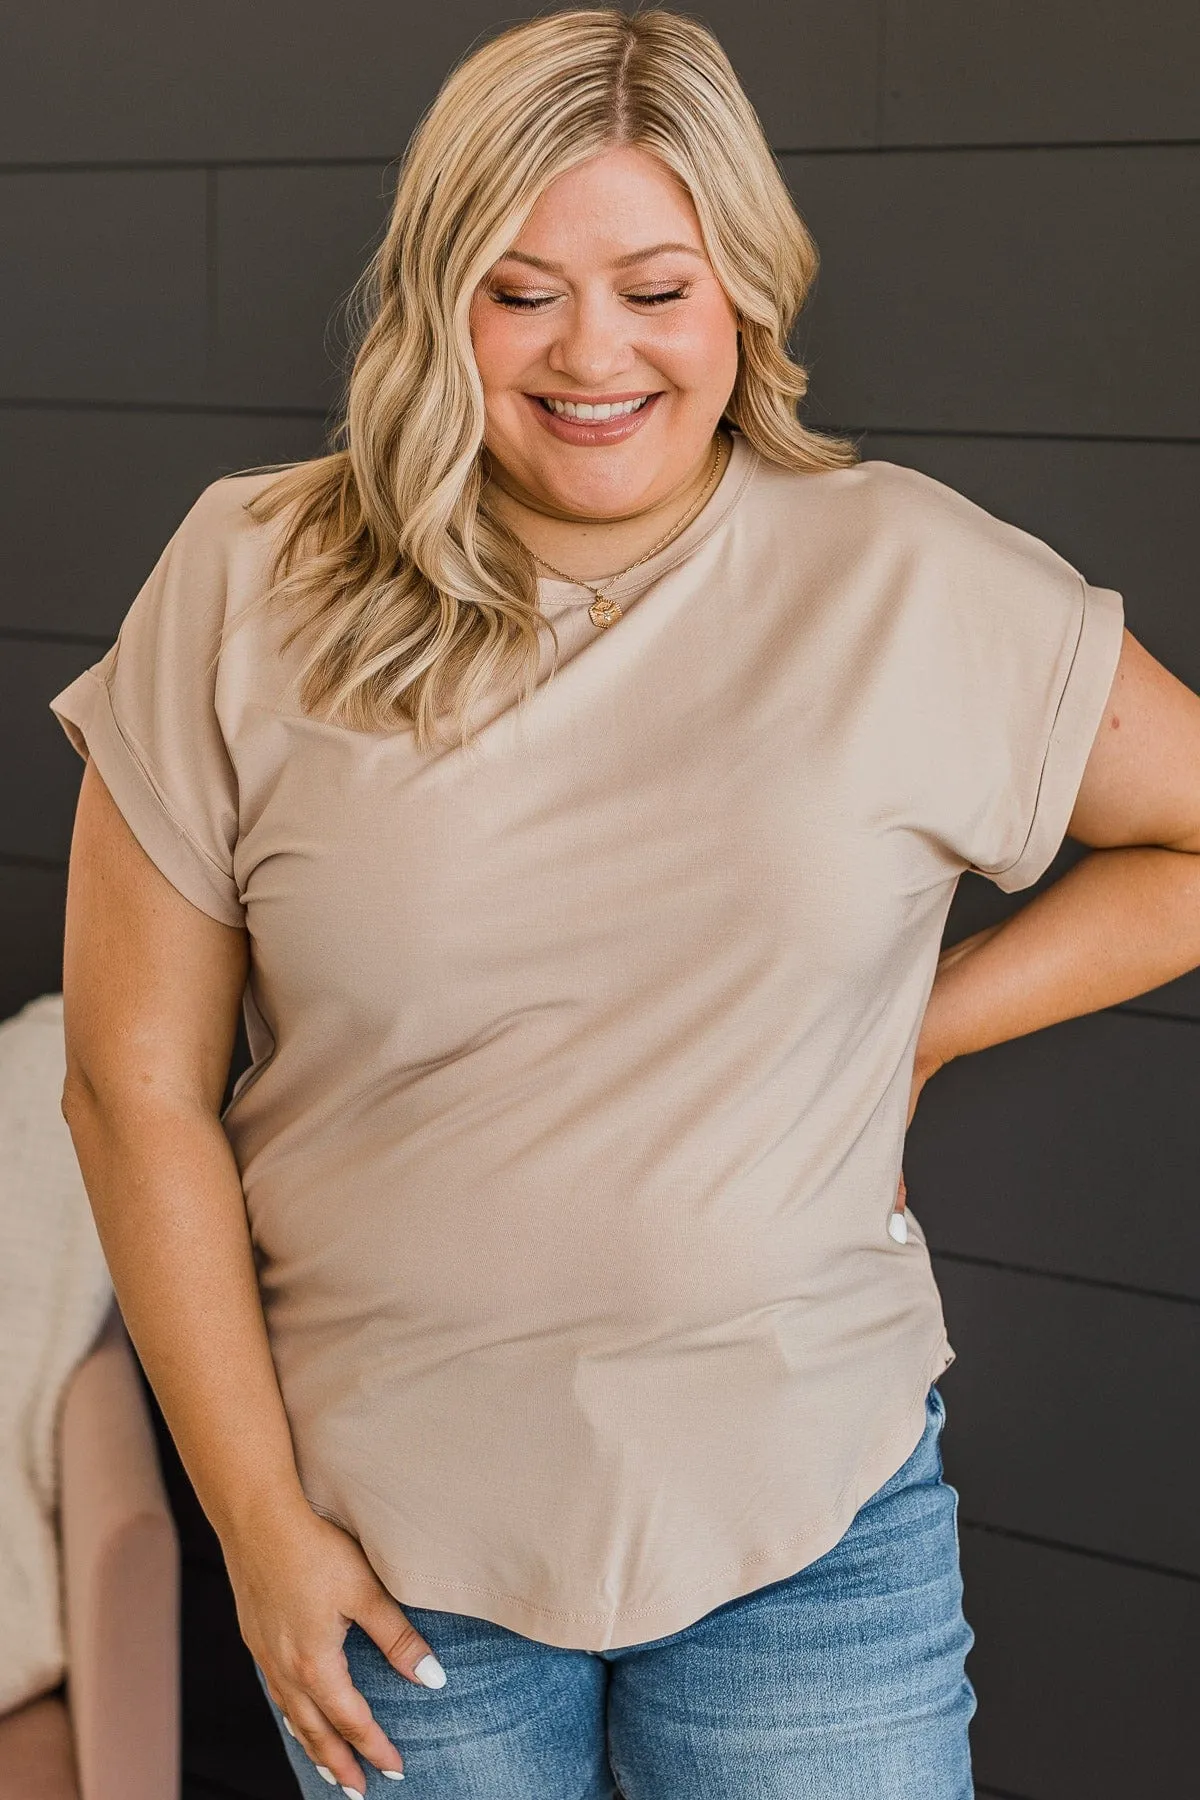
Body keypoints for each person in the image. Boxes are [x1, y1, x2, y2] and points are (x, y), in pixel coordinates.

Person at [48, 9, 1200, 1799]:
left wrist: (928, 1025)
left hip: (809, 1528)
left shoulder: (906, 575)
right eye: (521, 291)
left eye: (656, 286)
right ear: (442, 305)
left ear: (744, 289)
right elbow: (130, 1089)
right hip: (386, 1555)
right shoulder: (250, 575)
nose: (595, 351)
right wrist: (262, 1533)